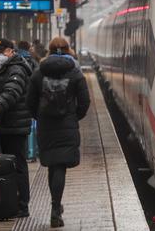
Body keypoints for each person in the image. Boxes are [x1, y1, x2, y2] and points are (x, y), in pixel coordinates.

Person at [26, 37, 90, 228]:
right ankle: (55, 209)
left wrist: (39, 117)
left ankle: (55, 206)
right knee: (60, 166)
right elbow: (84, 102)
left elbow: (30, 102)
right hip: (67, 125)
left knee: (53, 166)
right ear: (68, 49)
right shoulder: (75, 73)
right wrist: (73, 116)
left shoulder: (39, 73)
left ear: (50, 50)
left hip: (46, 126)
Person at [0, 39, 32, 217]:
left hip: (15, 125)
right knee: (10, 165)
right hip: (6, 124)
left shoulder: (17, 69)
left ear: (10, 51)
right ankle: (12, 202)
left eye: (0, 51)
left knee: (18, 165)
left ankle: (22, 205)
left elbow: (11, 93)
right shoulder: (3, 69)